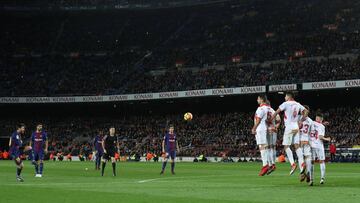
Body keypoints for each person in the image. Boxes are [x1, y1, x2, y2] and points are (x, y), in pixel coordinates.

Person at [270, 92, 308, 175]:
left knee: (286, 146)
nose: (284, 97)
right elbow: (306, 111)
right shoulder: (298, 104)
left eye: (285, 96)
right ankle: (302, 164)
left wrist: (270, 120)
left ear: (288, 96)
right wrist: (301, 120)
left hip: (289, 127)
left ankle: (293, 164)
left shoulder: (286, 104)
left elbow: (276, 112)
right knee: (297, 146)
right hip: (296, 126)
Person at [251, 94, 271, 176]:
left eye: (258, 99)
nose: (257, 100)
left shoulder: (261, 108)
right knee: (263, 146)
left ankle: (265, 165)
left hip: (260, 128)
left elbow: (258, 120)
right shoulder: (267, 108)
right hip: (263, 128)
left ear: (262, 99)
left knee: (262, 146)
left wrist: (254, 128)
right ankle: (267, 164)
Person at [309, 112, 331, 186]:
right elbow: (320, 137)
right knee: (321, 162)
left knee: (312, 162)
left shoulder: (311, 123)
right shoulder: (322, 126)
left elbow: (315, 126)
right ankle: (322, 178)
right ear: (321, 119)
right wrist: (327, 139)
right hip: (318, 145)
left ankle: (311, 180)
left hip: (311, 145)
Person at [298, 105, 313, 183]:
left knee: (300, 157)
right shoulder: (310, 121)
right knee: (307, 158)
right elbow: (312, 133)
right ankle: (307, 173)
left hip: (300, 141)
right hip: (306, 140)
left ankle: (302, 173)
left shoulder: (298, 118)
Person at [266, 100, 281, 175]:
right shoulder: (273, 111)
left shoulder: (264, 110)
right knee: (273, 147)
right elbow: (279, 121)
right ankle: (273, 164)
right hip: (273, 130)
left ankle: (270, 164)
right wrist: (275, 127)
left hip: (267, 131)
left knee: (268, 147)